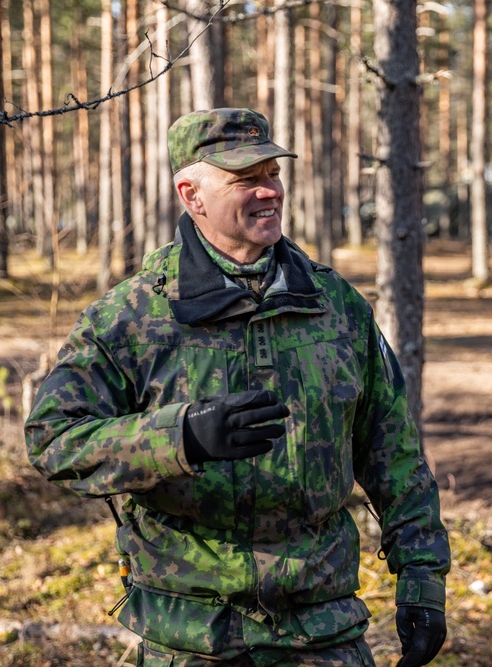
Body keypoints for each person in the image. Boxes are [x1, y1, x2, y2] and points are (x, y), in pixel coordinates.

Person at [25, 107, 450, 667]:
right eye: (245, 180)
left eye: (272, 174)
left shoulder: (336, 306)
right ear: (191, 194)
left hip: (322, 629)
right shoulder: (131, 318)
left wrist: (422, 581)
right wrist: (181, 438)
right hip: (191, 636)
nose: (269, 191)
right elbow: (54, 440)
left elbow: (392, 452)